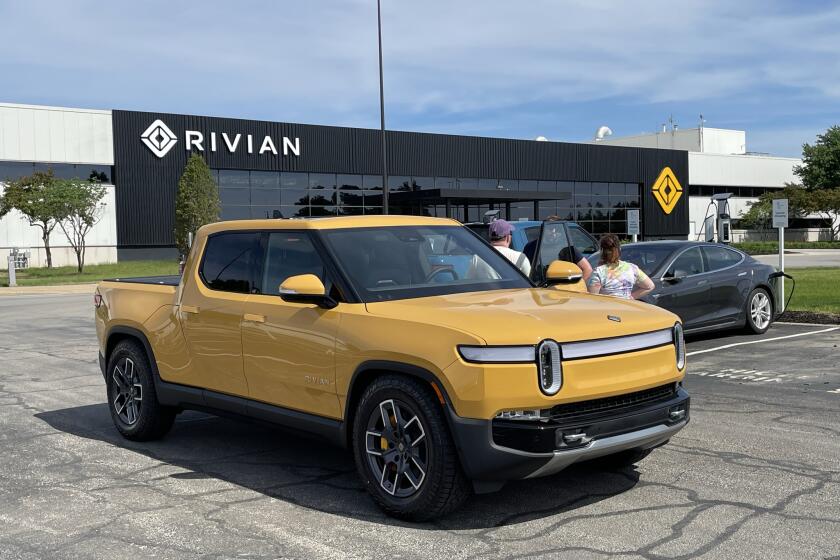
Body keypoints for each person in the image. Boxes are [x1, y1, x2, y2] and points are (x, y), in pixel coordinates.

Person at [522, 216, 593, 282]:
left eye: (557, 229)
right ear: (543, 229)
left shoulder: (566, 247)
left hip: (562, 289)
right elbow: (522, 271)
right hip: (539, 287)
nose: (553, 232)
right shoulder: (531, 246)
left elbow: (587, 269)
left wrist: (578, 286)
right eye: (550, 229)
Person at [588, 233, 654, 300]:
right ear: (619, 249)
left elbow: (592, 299)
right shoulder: (632, 268)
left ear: (601, 251)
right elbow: (650, 286)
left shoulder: (598, 272)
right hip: (626, 308)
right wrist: (630, 297)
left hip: (607, 309)